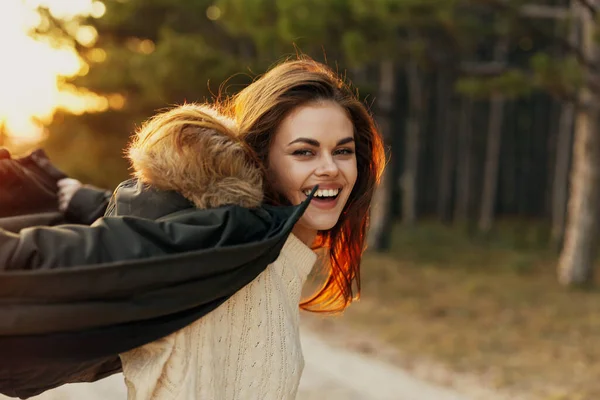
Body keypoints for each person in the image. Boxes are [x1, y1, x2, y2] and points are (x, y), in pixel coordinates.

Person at [115, 57, 386, 400]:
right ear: (262, 162)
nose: (330, 168)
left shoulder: (270, 262)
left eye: (343, 151)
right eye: (305, 152)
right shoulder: (236, 269)